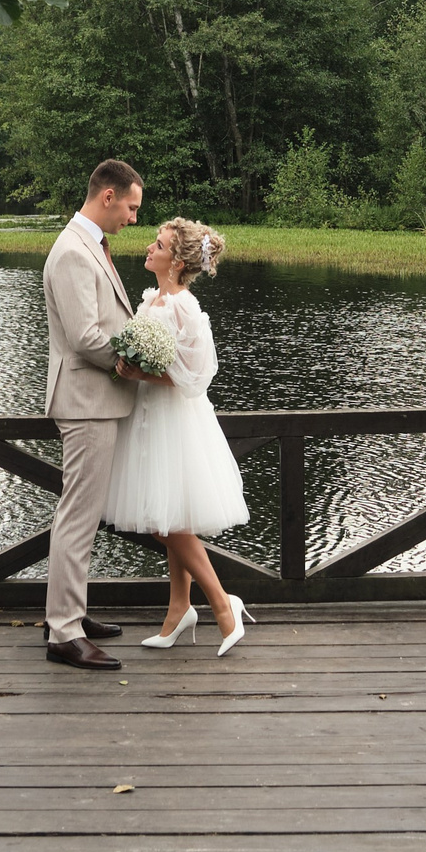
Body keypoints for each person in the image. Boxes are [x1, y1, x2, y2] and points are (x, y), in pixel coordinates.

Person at [105, 217, 255, 655]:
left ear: (175, 260)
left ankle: (223, 604)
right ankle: (178, 609)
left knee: (167, 522)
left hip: (176, 423)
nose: (149, 248)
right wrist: (129, 367)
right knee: (168, 519)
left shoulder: (184, 307)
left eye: (159, 244)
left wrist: (146, 376)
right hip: (147, 420)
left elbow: (198, 376)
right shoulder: (152, 299)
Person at [40, 159, 142, 671]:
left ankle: (70, 614)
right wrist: (136, 365)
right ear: (107, 197)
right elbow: (85, 337)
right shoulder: (73, 253)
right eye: (131, 206)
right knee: (77, 515)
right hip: (86, 401)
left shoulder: (90, 246)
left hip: (94, 401)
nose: (133, 218)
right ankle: (63, 631)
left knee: (83, 513)